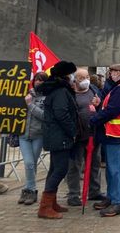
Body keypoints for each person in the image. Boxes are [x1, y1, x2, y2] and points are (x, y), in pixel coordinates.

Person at [89, 64, 120, 217]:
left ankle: (118, 202)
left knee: (117, 170)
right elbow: (108, 108)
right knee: (111, 170)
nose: (111, 75)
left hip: (119, 135)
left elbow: (112, 110)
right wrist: (99, 107)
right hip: (113, 134)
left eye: (113, 72)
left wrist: (94, 119)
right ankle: (111, 197)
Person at [37, 61, 78, 219]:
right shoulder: (61, 91)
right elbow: (61, 113)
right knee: (60, 169)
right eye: (71, 74)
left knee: (55, 169)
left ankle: (51, 202)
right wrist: (72, 131)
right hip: (59, 135)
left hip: (56, 134)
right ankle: (45, 206)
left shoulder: (58, 89)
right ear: (66, 75)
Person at [66, 68, 105, 207]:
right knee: (75, 165)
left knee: (95, 163)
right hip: (78, 136)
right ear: (75, 80)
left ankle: (94, 191)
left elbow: (102, 109)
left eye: (87, 76)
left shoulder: (94, 90)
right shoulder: (70, 94)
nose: (85, 80)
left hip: (94, 134)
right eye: (82, 78)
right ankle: (73, 194)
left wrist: (98, 105)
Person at [17, 72, 48, 205]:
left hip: (38, 135)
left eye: (41, 80)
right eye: (37, 80)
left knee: (32, 163)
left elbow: (44, 116)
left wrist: (30, 105)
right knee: (29, 163)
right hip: (23, 135)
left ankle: (28, 189)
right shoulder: (26, 94)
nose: (38, 83)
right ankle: (31, 189)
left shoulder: (47, 98)